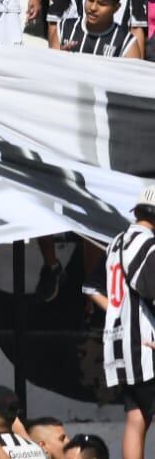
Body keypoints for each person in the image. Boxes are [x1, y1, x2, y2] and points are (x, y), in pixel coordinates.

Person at [105, 184, 155, 459]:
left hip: (123, 345)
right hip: (145, 344)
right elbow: (151, 286)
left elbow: (93, 287)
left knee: (137, 418)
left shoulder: (115, 242)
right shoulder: (146, 243)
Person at [57, 0, 143, 57]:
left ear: (116, 8)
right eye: (90, 0)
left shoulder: (126, 43)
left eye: (102, 4)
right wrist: (60, 57)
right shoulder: (63, 28)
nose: (93, 8)